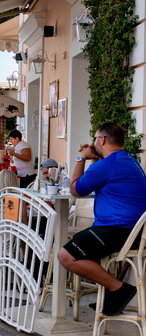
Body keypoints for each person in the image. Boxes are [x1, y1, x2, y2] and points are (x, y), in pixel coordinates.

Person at [58, 122, 146, 317]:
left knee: (65, 256)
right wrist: (93, 160)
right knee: (78, 246)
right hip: (133, 232)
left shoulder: (109, 164)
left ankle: (119, 289)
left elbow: (75, 189)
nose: (93, 143)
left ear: (102, 140)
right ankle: (110, 294)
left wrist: (81, 157)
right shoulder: (129, 160)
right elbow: (93, 179)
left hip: (117, 229)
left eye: (95, 139)